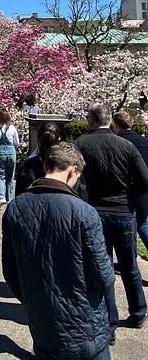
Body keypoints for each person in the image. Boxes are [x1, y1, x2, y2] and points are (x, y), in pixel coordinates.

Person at [2, 142, 114, 360]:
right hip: (85, 323)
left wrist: (33, 299)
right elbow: (103, 277)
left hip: (43, 322)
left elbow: (11, 271)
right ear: (72, 170)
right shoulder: (84, 213)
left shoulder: (16, 207)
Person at [75, 103, 148, 335]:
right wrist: (128, 193)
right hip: (123, 212)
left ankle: (109, 323)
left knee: (102, 267)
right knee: (130, 267)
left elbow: (75, 182)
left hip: (95, 212)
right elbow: (144, 181)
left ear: (91, 120)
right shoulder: (126, 146)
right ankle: (138, 312)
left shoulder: (80, 145)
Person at [112, 111, 148, 250]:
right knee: (143, 224)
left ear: (115, 124)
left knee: (127, 230)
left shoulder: (115, 143)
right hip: (143, 191)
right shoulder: (145, 142)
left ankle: (128, 261)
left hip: (122, 192)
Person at [15, 121, 59, 196]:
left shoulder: (26, 167)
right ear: (59, 139)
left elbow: (19, 196)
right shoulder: (65, 166)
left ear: (38, 139)